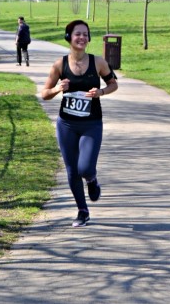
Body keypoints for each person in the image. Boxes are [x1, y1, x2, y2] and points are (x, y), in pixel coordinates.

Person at [41, 20, 118, 227]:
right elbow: (44, 94)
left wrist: (100, 92)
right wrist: (58, 89)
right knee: (72, 170)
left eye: (85, 34)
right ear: (69, 37)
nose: (82, 38)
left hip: (91, 124)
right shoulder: (60, 65)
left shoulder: (98, 62)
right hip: (66, 125)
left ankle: (91, 180)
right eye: (77, 34)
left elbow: (113, 84)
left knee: (84, 168)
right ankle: (82, 211)